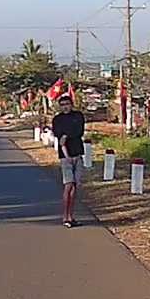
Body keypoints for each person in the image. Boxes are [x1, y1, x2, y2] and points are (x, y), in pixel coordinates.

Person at [51, 94, 86, 228]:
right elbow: (58, 136)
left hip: (77, 153)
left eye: (67, 104)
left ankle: (71, 216)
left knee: (75, 186)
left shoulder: (78, 116)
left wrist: (67, 135)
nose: (65, 107)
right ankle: (65, 216)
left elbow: (79, 131)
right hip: (65, 156)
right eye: (63, 105)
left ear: (71, 104)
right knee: (68, 185)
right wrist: (65, 136)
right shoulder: (57, 119)